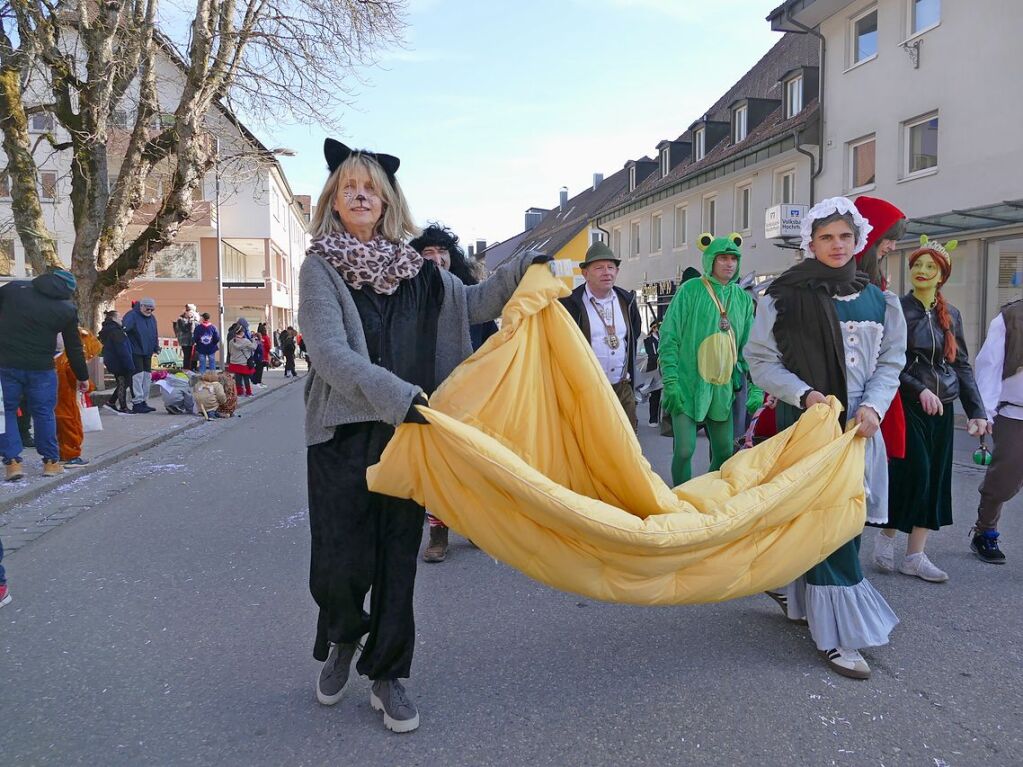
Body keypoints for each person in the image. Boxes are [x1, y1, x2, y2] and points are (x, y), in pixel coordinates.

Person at [299, 138, 539, 733]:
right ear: (334, 197)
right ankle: (342, 639)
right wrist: (397, 395)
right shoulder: (318, 267)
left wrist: (525, 269)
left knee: (396, 561)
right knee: (339, 563)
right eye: (350, 187)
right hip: (342, 435)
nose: (361, 196)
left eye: (372, 190)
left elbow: (477, 302)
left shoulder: (419, 271)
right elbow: (328, 352)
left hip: (408, 435)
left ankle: (387, 673)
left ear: (387, 203)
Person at [745, 197, 907, 681]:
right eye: (825, 238)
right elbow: (760, 361)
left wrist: (873, 405)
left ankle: (802, 599)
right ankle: (839, 636)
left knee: (844, 522)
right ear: (809, 243)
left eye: (844, 237)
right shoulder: (782, 296)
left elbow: (890, 363)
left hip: (859, 427)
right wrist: (805, 393)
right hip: (810, 421)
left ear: (858, 240)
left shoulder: (882, 300)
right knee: (827, 524)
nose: (837, 246)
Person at [879, 237, 988, 581]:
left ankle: (916, 555)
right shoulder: (896, 308)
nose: (922, 271)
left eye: (931, 267)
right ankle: (887, 536)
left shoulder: (951, 314)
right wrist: (919, 388)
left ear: (942, 275)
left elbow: (962, 365)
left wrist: (977, 412)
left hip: (943, 406)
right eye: (917, 266)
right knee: (916, 473)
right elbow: (887, 361)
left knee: (936, 479)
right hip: (907, 405)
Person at [409, 222, 498, 562]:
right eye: (427, 253)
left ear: (451, 257)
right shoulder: (411, 298)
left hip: (472, 395)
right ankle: (439, 530)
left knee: (473, 464)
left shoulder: (469, 293)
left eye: (441, 252)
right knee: (437, 468)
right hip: (430, 395)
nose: (435, 258)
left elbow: (491, 339)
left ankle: (473, 523)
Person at [659, 233, 754, 484]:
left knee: (724, 451)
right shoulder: (691, 290)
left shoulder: (742, 298)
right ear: (710, 259)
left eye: (733, 258)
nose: (729, 263)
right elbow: (669, 336)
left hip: (723, 386)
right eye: (722, 257)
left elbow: (750, 346)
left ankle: (705, 496)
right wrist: (670, 381)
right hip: (687, 384)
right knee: (684, 449)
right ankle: (679, 499)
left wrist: (752, 385)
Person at [0, 269, 90, 481]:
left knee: (7, 412)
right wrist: (82, 376)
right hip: (42, 368)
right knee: (44, 413)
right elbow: (74, 347)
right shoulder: (66, 309)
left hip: (6, 365)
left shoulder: (14, 290)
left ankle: (12, 463)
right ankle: (51, 462)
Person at [559, 242, 642, 430]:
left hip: (622, 388)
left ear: (617, 272)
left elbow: (633, 335)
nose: (607, 272)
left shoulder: (627, 301)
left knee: (628, 448)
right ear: (585, 273)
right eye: (599, 268)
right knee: (591, 447)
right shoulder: (569, 304)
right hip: (587, 391)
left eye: (611, 267)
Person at [970, 298, 1023, 564]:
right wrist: (984, 411)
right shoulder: (1010, 317)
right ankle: (985, 530)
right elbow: (989, 365)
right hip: (1014, 412)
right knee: (1005, 479)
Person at [55, 327, 103, 466]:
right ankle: (71, 455)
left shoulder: (55, 358)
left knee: (59, 428)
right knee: (71, 427)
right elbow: (78, 378)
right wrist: (89, 384)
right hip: (68, 401)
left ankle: (61, 453)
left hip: (57, 401)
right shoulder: (69, 360)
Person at [122, 297, 159, 414]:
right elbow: (124, 330)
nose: (149, 311)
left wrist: (156, 346)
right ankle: (137, 402)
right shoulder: (132, 315)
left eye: (152, 309)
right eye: (148, 309)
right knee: (137, 377)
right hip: (135, 351)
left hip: (147, 351)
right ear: (141, 306)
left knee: (147, 377)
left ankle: (143, 401)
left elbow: (154, 333)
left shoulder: (152, 318)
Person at [98, 310, 136, 414]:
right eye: (119, 317)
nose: (122, 319)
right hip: (120, 362)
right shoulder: (116, 332)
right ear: (113, 319)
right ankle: (122, 407)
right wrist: (129, 364)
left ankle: (111, 402)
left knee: (123, 382)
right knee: (124, 383)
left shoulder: (108, 330)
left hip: (113, 361)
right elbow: (122, 350)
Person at [226, 327, 256, 397]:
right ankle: (248, 393)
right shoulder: (246, 341)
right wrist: (254, 340)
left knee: (238, 379)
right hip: (244, 363)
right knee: (246, 378)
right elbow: (254, 347)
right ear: (242, 333)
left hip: (234, 362)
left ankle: (239, 392)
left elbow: (230, 351)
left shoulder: (231, 341)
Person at [643, 322, 662, 426]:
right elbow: (651, 355)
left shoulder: (664, 339)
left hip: (664, 369)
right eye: (658, 328)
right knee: (655, 395)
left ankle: (664, 419)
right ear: (653, 328)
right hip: (654, 370)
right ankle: (653, 419)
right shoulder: (648, 341)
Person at [173, 304, 200, 371]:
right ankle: (186, 369)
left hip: (191, 340)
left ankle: (192, 368)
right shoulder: (181, 320)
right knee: (187, 355)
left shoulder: (190, 320)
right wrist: (191, 321)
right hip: (185, 341)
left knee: (193, 355)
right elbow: (185, 329)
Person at [252, 323, 271, 388]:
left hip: (256, 355)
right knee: (260, 369)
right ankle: (258, 381)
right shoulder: (266, 337)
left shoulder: (256, 336)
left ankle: (256, 381)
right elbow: (268, 346)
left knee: (257, 368)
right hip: (263, 355)